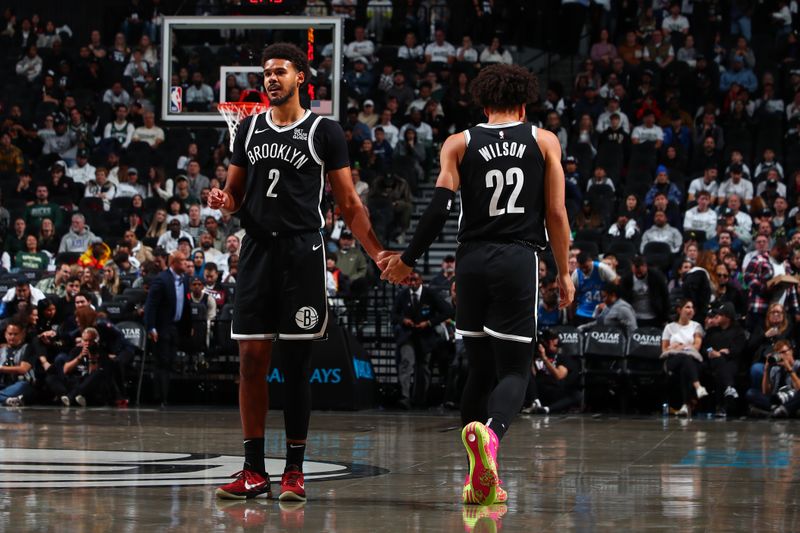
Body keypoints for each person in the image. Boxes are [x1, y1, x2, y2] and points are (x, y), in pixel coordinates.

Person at [379, 64, 575, 506]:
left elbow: (438, 208)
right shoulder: (544, 141)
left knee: (479, 370)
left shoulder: (459, 143)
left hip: (470, 262)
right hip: (517, 257)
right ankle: (491, 437)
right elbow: (557, 214)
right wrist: (563, 272)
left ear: (483, 104)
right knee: (514, 371)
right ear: (525, 104)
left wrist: (406, 260)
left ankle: (478, 481)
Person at [207, 43, 386, 502]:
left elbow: (348, 203)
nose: (270, 78)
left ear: (301, 77)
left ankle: (293, 470)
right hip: (256, 254)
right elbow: (234, 195)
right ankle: (252, 470)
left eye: (279, 71)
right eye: (266, 72)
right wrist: (222, 202)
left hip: (303, 253)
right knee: (250, 363)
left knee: (296, 367)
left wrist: (379, 254)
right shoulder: (246, 129)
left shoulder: (325, 130)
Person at [391, 271, 452, 408]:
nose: (412, 283)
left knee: (423, 368)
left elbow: (447, 311)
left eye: (415, 280)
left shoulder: (430, 294)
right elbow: (393, 315)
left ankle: (420, 399)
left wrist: (430, 322)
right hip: (407, 335)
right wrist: (403, 320)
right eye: (410, 280)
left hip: (426, 336)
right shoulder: (403, 295)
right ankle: (404, 397)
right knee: (406, 362)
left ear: (421, 281)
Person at [143, 251, 190, 407]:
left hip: (175, 327)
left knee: (170, 362)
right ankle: (160, 397)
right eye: (183, 261)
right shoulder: (161, 280)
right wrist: (151, 327)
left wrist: (187, 326)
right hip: (162, 327)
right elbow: (151, 305)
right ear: (174, 263)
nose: (186, 263)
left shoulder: (185, 280)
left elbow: (186, 304)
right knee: (161, 363)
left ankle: (167, 395)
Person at [661, 299, 708, 417]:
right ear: (679, 310)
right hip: (672, 360)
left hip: (691, 359)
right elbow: (664, 349)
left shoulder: (697, 326)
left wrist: (679, 347)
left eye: (692, 307)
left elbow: (696, 346)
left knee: (685, 367)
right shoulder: (669, 327)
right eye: (687, 307)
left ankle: (685, 406)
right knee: (684, 359)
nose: (690, 310)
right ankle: (698, 387)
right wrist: (677, 348)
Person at [521, 329, 581, 415]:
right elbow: (532, 377)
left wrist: (544, 358)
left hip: (555, 390)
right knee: (526, 371)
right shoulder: (535, 355)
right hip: (539, 390)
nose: (555, 342)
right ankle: (535, 402)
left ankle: (546, 409)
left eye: (555, 339)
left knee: (577, 395)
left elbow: (559, 375)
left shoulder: (562, 357)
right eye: (551, 339)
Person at [702, 302, 746, 417]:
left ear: (727, 317)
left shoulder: (738, 331)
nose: (717, 318)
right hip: (713, 361)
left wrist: (726, 352)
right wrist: (710, 352)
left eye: (720, 315)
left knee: (721, 367)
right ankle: (729, 388)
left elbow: (738, 349)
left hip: (730, 362)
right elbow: (706, 346)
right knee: (719, 362)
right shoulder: (713, 331)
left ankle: (721, 406)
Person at [572, 252, 618, 325]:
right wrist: (572, 315)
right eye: (581, 268)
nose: (584, 270)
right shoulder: (576, 274)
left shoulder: (602, 268)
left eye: (586, 267)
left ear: (591, 261)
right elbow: (572, 297)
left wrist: (609, 304)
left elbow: (616, 285)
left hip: (602, 312)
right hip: (582, 312)